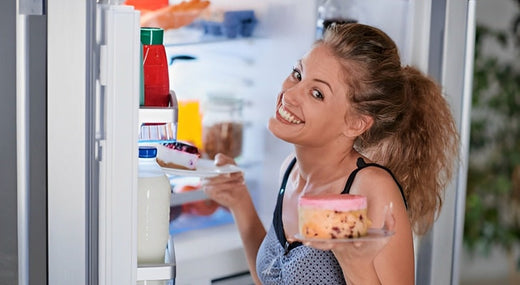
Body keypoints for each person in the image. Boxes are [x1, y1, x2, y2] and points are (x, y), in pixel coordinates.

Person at [201, 22, 459, 285]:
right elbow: (273, 279)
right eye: (297, 74)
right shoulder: (290, 171)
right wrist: (239, 201)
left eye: (317, 94)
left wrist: (355, 264)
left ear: (356, 123)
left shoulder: (372, 190)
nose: (289, 94)